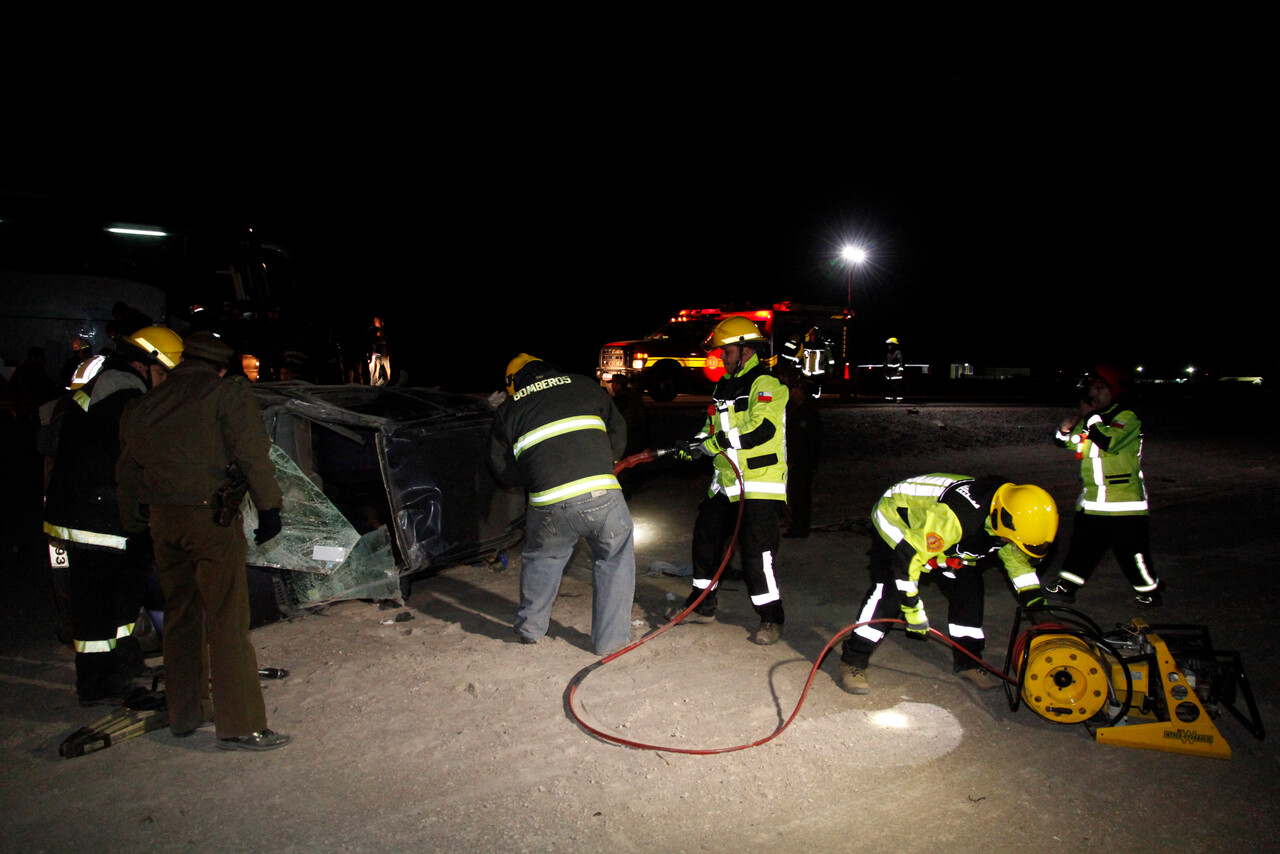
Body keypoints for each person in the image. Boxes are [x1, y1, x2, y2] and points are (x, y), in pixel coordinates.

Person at [116, 331, 290, 751]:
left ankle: (185, 713)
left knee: (179, 617)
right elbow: (252, 453)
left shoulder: (144, 404)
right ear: (222, 366)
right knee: (228, 619)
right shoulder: (223, 394)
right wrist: (270, 507)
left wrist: (136, 524)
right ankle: (242, 724)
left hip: (163, 522)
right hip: (211, 519)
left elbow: (127, 471)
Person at [43, 327, 183, 704]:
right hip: (93, 516)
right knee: (96, 601)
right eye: (162, 373)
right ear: (143, 363)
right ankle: (97, 684)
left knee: (121, 594)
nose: (164, 382)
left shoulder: (107, 380)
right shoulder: (124, 394)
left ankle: (124, 662)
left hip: (96, 508)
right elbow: (133, 459)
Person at [837, 473, 1057, 694]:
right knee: (890, 593)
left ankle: (968, 662)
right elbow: (906, 559)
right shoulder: (958, 517)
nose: (1011, 545)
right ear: (1002, 521)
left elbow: (1018, 565)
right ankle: (854, 659)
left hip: (943, 533)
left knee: (969, 589)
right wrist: (913, 610)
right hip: (897, 518)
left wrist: (1037, 607)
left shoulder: (1010, 517)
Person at [489, 354, 635, 655]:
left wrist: (533, 478)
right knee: (614, 560)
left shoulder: (508, 410)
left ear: (513, 383)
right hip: (602, 495)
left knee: (543, 559)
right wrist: (608, 461)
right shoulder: (585, 384)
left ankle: (530, 629)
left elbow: (500, 467)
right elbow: (618, 429)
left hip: (549, 504)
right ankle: (610, 642)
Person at [673, 317, 789, 645]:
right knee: (706, 541)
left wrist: (714, 444)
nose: (722, 357)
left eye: (726, 350)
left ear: (745, 350)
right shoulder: (723, 385)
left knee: (757, 552)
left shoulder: (766, 383)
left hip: (759, 483)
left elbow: (761, 428)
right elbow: (712, 427)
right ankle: (702, 604)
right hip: (725, 482)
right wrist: (695, 445)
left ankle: (771, 618)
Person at [1043, 366, 1161, 606]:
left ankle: (1149, 591)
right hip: (1093, 501)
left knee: (1132, 552)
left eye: (1100, 388)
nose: (1094, 393)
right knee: (1082, 547)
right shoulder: (1090, 421)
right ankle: (1066, 586)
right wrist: (1063, 431)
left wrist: (1091, 417)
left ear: (1113, 391)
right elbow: (1071, 443)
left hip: (1123, 502)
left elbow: (1109, 441)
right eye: (1091, 389)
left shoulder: (1126, 417)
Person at [884, 337, 904, 401]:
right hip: (889, 374)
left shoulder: (898, 353)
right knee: (888, 387)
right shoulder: (888, 353)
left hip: (896, 374)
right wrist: (885, 371)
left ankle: (899, 399)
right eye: (888, 345)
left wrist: (899, 372)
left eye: (890, 345)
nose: (889, 346)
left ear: (894, 345)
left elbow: (901, 363)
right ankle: (889, 399)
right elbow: (886, 363)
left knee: (897, 387)